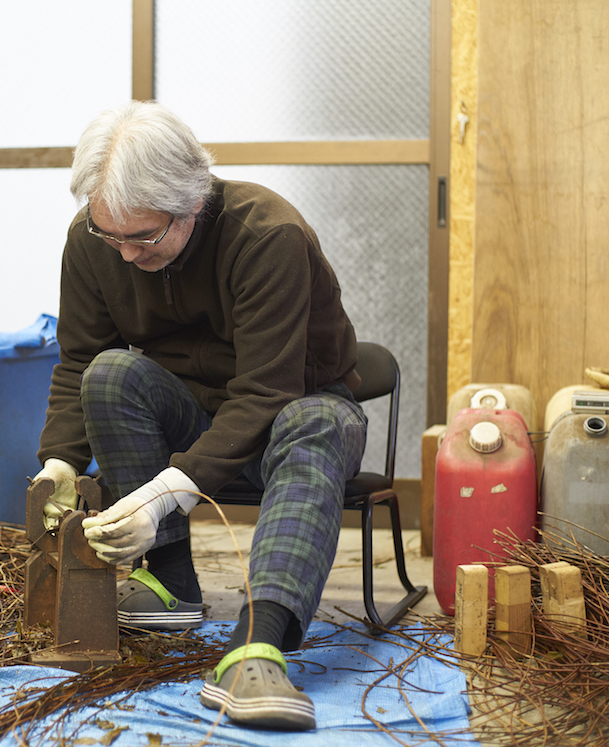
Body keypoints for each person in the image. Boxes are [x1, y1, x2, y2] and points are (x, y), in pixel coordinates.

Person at [32, 100, 368, 731]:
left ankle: (258, 643)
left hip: (294, 406)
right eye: (113, 235)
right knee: (111, 374)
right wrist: (59, 465)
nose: (126, 254)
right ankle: (171, 580)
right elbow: (78, 361)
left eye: (144, 236)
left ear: (192, 201)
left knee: (316, 424)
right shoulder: (95, 240)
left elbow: (267, 391)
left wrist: (161, 496)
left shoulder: (266, 233)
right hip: (195, 410)